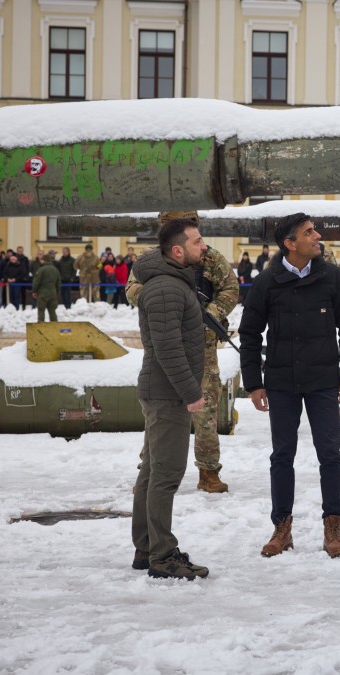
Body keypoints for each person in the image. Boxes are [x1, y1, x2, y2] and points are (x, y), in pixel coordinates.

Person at [239, 212, 340, 559]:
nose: (317, 236)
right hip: (281, 383)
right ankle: (282, 528)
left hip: (323, 382)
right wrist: (254, 384)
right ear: (290, 244)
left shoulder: (331, 277)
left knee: (330, 454)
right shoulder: (268, 281)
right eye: (309, 232)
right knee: (281, 456)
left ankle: (332, 528)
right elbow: (249, 334)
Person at [128, 211, 239, 493]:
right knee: (160, 411)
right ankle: (150, 469)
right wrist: (166, 301)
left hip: (202, 342)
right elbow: (131, 289)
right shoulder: (150, 261)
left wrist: (207, 314)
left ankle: (208, 471)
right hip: (164, 337)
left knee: (206, 410)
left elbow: (230, 288)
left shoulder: (210, 258)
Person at [130, 217, 209, 580]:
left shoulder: (173, 282)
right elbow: (167, 347)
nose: (203, 246)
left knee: (152, 472)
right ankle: (162, 555)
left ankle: (147, 548)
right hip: (168, 394)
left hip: (165, 391)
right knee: (166, 474)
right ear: (177, 250)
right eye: (196, 242)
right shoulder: (165, 288)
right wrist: (191, 393)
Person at [32, 250, 61, 322]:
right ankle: (54, 327)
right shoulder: (55, 270)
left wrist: (34, 291)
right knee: (52, 311)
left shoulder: (41, 270)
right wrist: (56, 292)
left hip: (43, 294)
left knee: (41, 311)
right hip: (53, 293)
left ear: (43, 260)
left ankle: (41, 328)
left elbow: (37, 282)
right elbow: (58, 283)